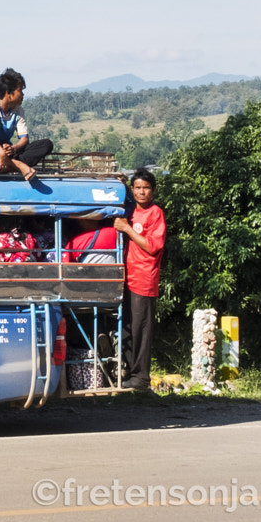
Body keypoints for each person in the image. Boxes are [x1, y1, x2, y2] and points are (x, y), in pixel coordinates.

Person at [113, 168, 166, 392]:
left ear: (153, 190)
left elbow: (152, 246)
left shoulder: (156, 213)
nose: (141, 192)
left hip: (144, 280)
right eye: (137, 188)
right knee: (126, 329)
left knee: (141, 331)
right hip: (126, 278)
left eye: (146, 188)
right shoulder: (131, 209)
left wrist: (126, 228)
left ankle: (141, 379)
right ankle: (128, 373)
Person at [0, 68, 53, 181]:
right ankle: (17, 165)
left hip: (7, 153)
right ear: (9, 94)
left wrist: (13, 148)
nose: (23, 94)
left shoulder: (18, 110)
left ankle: (6, 166)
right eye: (20, 91)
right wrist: (1, 153)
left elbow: (24, 139)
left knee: (46, 144)